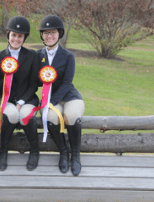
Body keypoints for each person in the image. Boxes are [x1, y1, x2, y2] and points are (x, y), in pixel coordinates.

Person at [37, 15, 85, 176]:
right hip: (49, 98)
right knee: (50, 117)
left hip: (69, 96)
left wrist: (51, 101)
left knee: (71, 116)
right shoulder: (37, 56)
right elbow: (35, 80)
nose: (49, 36)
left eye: (53, 32)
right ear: (42, 35)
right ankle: (63, 152)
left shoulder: (68, 56)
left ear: (59, 34)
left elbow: (66, 83)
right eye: (46, 33)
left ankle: (76, 156)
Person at [0, 16, 40, 171]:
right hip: (6, 100)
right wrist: (7, 77)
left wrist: (21, 102)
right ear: (8, 35)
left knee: (25, 115)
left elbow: (34, 85)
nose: (16, 39)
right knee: (11, 115)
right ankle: (3, 150)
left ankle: (34, 150)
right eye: (13, 35)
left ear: (24, 38)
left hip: (28, 99)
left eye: (20, 36)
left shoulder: (32, 56)